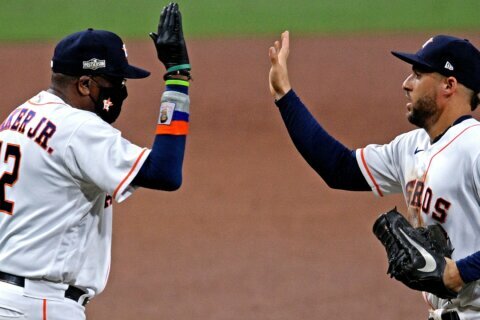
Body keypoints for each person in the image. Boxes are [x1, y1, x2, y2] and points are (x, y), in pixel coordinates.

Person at [268, 31, 480, 320]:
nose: (406, 84)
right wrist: (284, 95)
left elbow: (456, 274)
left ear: (449, 85)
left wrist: (461, 272)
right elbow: (339, 168)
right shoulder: (409, 147)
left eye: (418, 75)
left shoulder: (475, 147)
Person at [0, 3, 191, 319]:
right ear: (85, 84)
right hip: (40, 305)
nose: (121, 91)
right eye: (114, 82)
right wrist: (177, 77)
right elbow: (166, 173)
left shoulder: (18, 116)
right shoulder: (76, 128)